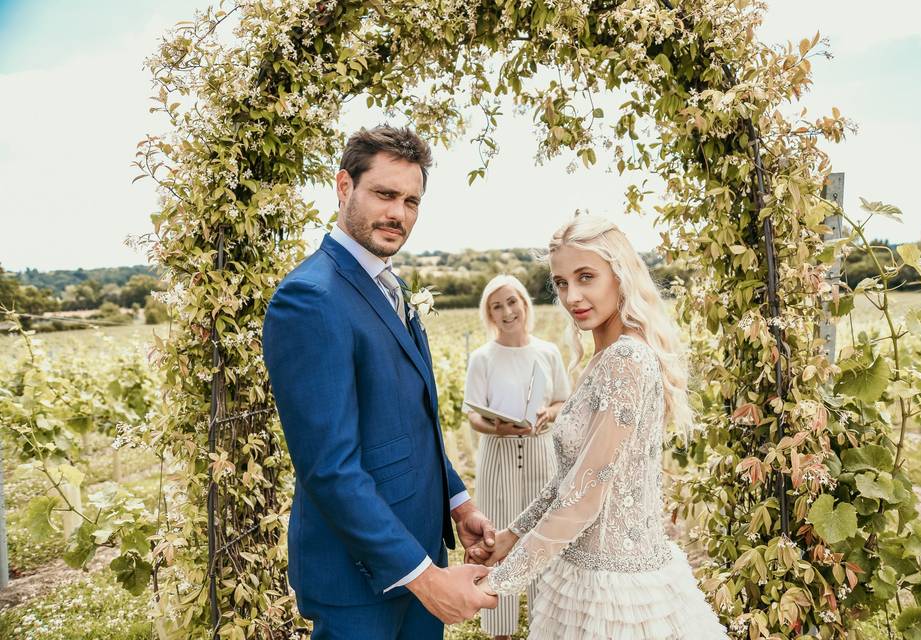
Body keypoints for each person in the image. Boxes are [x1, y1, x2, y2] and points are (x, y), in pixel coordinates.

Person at [263, 125, 498, 640]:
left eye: (411, 201)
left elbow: (411, 419)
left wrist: (457, 503)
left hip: (419, 552)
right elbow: (329, 468)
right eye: (385, 194)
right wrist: (425, 578)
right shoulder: (309, 298)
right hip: (360, 581)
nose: (399, 214)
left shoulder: (392, 285)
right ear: (344, 187)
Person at [472, 216, 727, 639]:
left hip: (617, 595)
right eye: (562, 282)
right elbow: (569, 479)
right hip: (584, 578)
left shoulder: (627, 360)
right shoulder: (604, 358)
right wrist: (511, 536)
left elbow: (583, 496)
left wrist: (498, 582)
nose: (573, 296)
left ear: (620, 274)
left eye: (586, 277)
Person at [462, 274, 571, 639]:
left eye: (513, 302)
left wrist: (548, 414)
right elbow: (474, 414)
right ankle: (500, 630)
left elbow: (561, 400)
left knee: (541, 536)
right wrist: (497, 427)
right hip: (498, 455)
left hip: (542, 452)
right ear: (489, 314)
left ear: (525, 303)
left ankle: (545, 625)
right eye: (497, 306)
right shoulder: (482, 358)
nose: (507, 311)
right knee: (496, 539)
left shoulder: (548, 352)